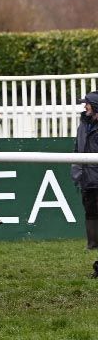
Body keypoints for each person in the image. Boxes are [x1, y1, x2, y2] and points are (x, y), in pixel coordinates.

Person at [71, 91, 98, 273]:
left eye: (87, 103)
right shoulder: (83, 125)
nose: (84, 106)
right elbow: (77, 150)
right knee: (92, 219)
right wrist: (77, 173)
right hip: (87, 183)